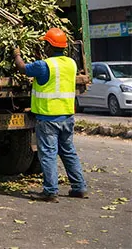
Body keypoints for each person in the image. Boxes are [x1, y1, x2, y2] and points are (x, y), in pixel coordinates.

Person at [12, 27, 87, 202]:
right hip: (67, 116)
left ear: (49, 46)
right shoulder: (71, 64)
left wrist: (16, 54)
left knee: (47, 153)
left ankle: (50, 191)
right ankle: (79, 187)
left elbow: (22, 68)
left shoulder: (44, 65)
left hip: (48, 119)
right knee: (68, 152)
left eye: (45, 44)